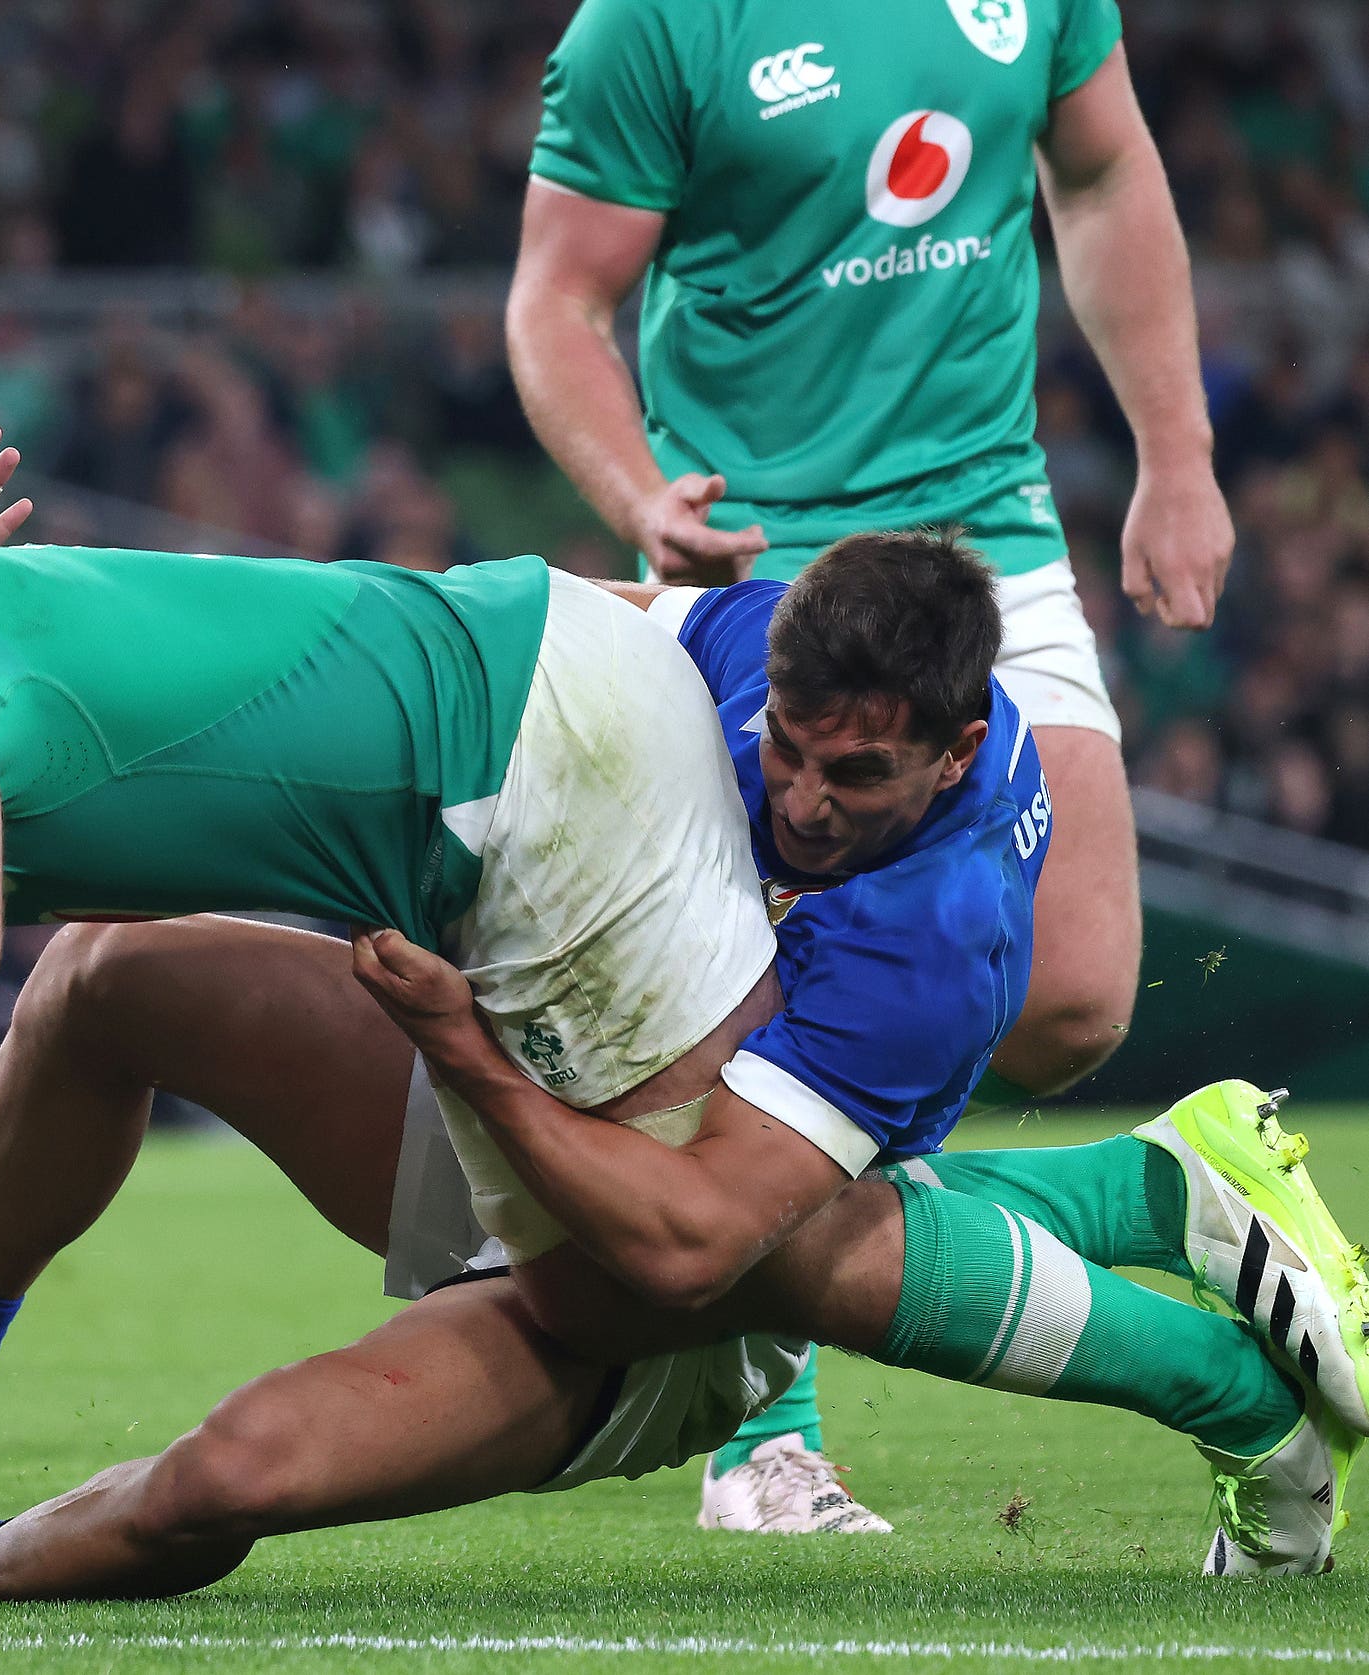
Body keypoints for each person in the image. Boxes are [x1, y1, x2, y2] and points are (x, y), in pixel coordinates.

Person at [0, 501, 1355, 1587]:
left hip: (537, 764)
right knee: (110, 984)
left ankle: (1215, 1364)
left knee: (690, 1255)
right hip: (500, 783)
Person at [504, 0, 1236, 1526]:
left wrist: (1175, 456)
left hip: (985, 531)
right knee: (764, 996)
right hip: (755, 556)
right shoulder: (653, 26)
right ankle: (767, 1439)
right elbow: (557, 300)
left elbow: (1100, 178)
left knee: (1070, 1004)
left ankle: (1134, 1193)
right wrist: (642, 501)